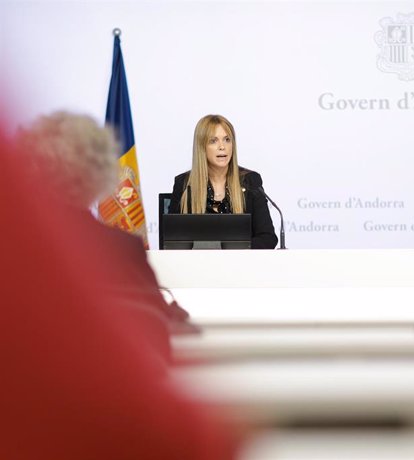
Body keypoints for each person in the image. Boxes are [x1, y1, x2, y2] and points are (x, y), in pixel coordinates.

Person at [1, 114, 245, 459]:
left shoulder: (17, 260)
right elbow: (167, 325)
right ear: (99, 171)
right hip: (122, 423)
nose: (222, 147)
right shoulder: (121, 248)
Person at [16, 112, 195, 360]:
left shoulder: (15, 252)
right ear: (100, 170)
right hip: (121, 388)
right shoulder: (123, 249)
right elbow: (157, 325)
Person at [170, 114, 278, 249]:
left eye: (227, 140)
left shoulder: (250, 181)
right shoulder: (184, 184)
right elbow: (171, 242)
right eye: (213, 141)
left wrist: (232, 250)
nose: (222, 147)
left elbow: (268, 238)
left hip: (241, 266)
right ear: (201, 147)